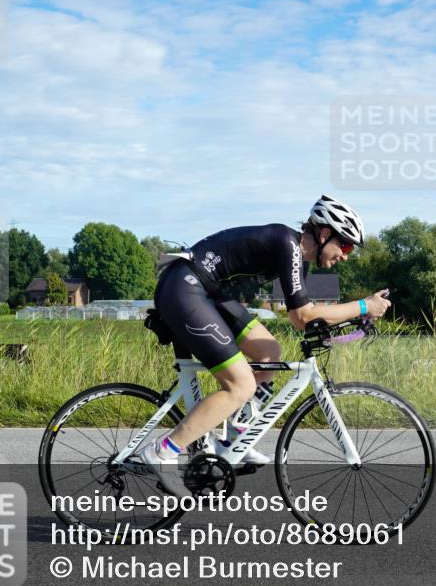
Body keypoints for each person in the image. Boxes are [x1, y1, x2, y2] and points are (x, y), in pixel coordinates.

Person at [137, 195, 391, 496]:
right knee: (240, 385)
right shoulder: (287, 243)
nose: (346, 255)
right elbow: (304, 315)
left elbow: (302, 320)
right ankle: (162, 450)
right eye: (345, 245)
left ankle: (234, 440)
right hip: (187, 287)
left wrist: (341, 324)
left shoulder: (298, 259)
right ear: (325, 234)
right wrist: (363, 306)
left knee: (269, 351)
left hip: (207, 291)